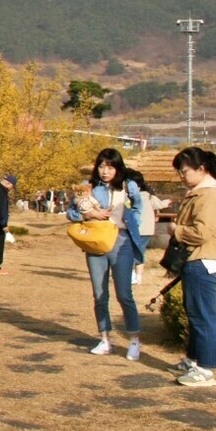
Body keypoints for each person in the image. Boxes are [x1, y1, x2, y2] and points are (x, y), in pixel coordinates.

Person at [66, 148, 143, 359]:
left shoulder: (129, 186)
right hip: (96, 242)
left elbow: (138, 208)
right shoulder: (86, 187)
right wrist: (90, 213)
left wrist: (130, 220)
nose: (105, 171)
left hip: (121, 242)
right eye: (101, 166)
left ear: (118, 168)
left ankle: (134, 339)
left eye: (110, 166)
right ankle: (104, 338)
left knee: (124, 293)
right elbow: (71, 213)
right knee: (100, 294)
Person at [168, 147, 216, 388]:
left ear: (201, 169)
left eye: (184, 171)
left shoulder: (209, 195)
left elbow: (202, 232)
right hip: (197, 260)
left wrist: (176, 231)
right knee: (195, 314)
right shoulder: (199, 193)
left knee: (203, 316)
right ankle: (194, 360)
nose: (181, 176)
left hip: (203, 260)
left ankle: (205, 368)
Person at [123, 167, 171, 285]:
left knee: (129, 252)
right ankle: (138, 276)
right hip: (147, 230)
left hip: (136, 230)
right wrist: (167, 202)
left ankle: (132, 275)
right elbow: (160, 204)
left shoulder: (131, 198)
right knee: (140, 252)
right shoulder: (149, 197)